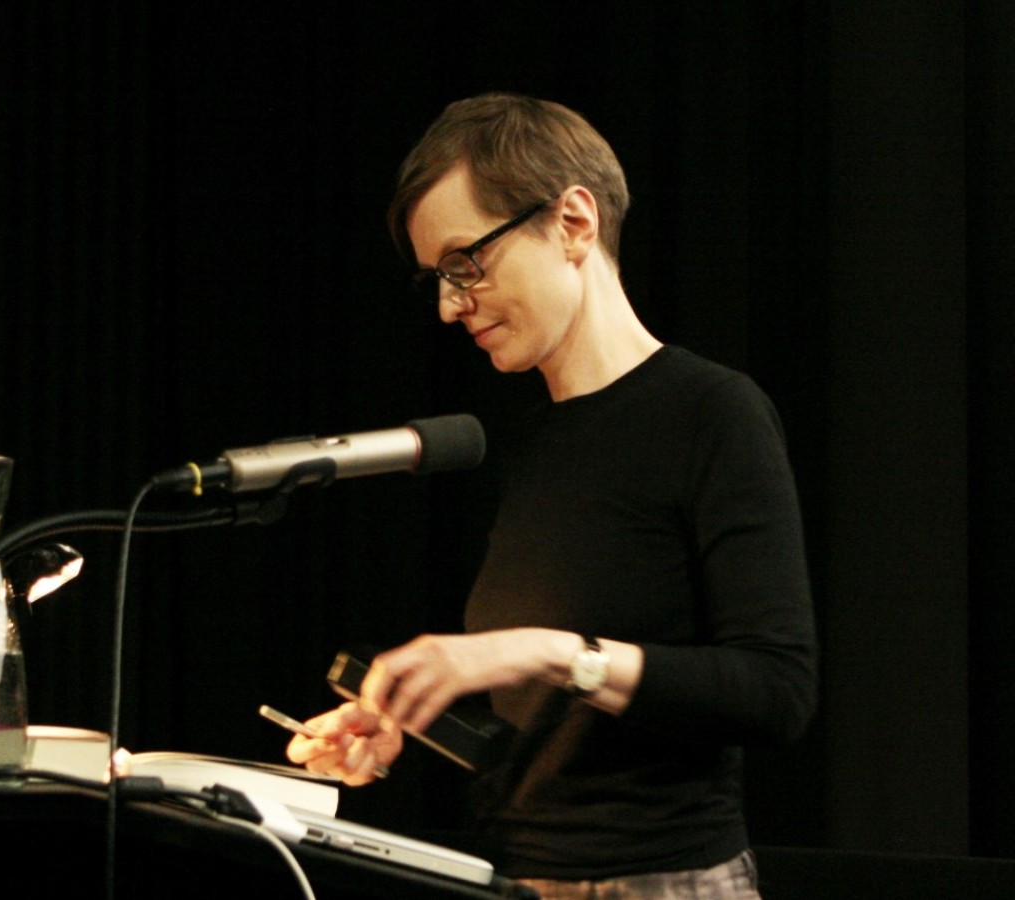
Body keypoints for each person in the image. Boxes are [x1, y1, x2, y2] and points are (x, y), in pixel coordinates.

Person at [285, 93, 818, 899]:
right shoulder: (533, 443)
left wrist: (550, 650)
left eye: (467, 263)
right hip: (519, 878)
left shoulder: (714, 413)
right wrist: (407, 723)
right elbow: (558, 731)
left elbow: (776, 691)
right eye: (438, 277)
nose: (449, 303)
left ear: (573, 221)